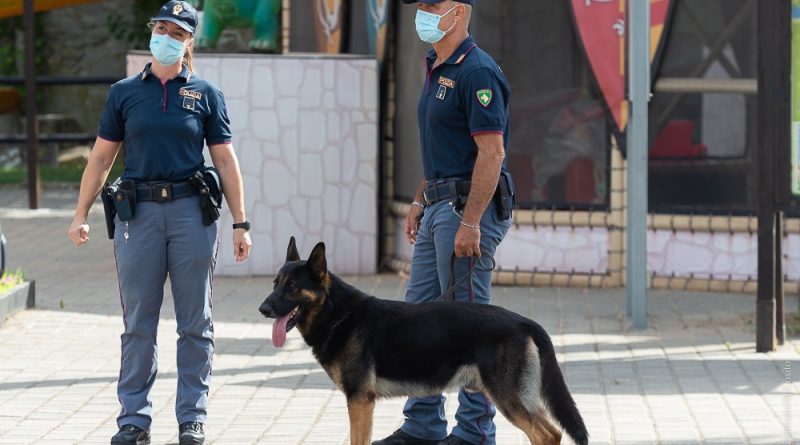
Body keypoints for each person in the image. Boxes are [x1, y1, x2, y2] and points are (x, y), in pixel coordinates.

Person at [67, 2, 252, 444]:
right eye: (161, 28)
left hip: (192, 215)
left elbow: (225, 159)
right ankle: (134, 419)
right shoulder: (124, 92)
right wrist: (80, 213)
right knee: (138, 324)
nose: (166, 36)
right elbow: (101, 158)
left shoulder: (206, 93)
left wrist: (241, 223)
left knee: (195, 322)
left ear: (189, 41)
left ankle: (192, 416)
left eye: (177, 31)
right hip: (140, 215)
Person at [373, 1, 513, 445]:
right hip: (439, 205)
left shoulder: (478, 72)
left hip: (464, 213)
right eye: (422, 6)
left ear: (460, 12)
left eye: (434, 5)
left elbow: (491, 153)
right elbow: (443, 149)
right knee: (417, 321)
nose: (425, 13)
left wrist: (471, 223)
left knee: (469, 327)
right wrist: (418, 198)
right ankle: (423, 425)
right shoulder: (436, 65)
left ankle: (474, 432)